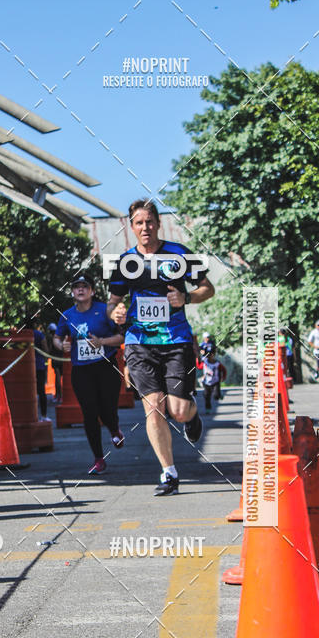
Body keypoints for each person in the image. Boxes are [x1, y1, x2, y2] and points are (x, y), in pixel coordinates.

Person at [106, 199, 215, 496]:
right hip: (139, 343)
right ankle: (169, 473)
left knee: (177, 411)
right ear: (131, 227)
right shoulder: (125, 262)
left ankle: (192, 415)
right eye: (139, 223)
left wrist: (187, 299)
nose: (145, 228)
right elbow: (113, 304)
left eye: (150, 222)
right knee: (154, 408)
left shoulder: (179, 253)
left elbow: (208, 288)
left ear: (158, 223)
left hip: (175, 340)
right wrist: (115, 313)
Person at [54, 273, 125, 474]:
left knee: (107, 408)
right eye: (77, 287)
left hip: (105, 366)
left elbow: (121, 336)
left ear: (92, 291)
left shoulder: (104, 310)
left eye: (85, 286)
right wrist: (63, 345)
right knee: (89, 412)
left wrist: (101, 342)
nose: (81, 290)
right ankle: (98, 458)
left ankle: (114, 428)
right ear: (72, 292)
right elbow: (57, 338)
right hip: (82, 370)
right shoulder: (67, 315)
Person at [46, 322, 63, 402]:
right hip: (62, 360)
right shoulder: (61, 337)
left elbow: (49, 350)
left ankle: (58, 396)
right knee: (60, 379)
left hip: (55, 360)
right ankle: (59, 396)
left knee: (58, 379)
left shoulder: (51, 339)